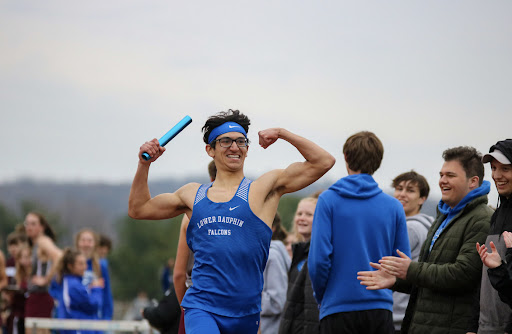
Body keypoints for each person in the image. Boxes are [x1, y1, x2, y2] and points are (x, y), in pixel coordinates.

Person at [128, 109, 335, 334]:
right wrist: (144, 165)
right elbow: (139, 209)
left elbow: (323, 162)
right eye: (225, 141)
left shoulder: (264, 188)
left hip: (246, 313)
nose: (234, 147)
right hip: (201, 307)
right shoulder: (191, 195)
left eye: (240, 141)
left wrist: (282, 133)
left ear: (247, 149)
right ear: (210, 150)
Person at [358, 146, 493, 334]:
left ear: (473, 181)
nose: (442, 181)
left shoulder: (482, 218)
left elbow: (462, 275)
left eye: (450, 175)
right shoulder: (445, 216)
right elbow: (428, 278)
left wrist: (410, 270)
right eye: (441, 175)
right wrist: (397, 280)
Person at [308, 131, 410, 334]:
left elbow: (319, 260)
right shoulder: (394, 207)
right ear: (378, 162)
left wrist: (323, 297)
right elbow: (402, 264)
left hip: (337, 309)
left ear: (345, 157)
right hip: (379, 310)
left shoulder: (328, 200)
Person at [471, 139, 512, 334]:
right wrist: (473, 325)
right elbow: (484, 279)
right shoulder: (497, 213)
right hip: (485, 327)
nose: (497, 175)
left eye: (505, 168)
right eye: (494, 168)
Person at [174, 160, 217, 334]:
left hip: (198, 301)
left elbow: (178, 274)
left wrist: (185, 309)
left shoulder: (192, 213)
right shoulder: (247, 205)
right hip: (237, 302)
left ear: (210, 176)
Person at [391, 171, 434, 333]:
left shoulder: (409, 229)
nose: (402, 194)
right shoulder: (429, 225)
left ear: (422, 198)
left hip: (397, 313)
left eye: (410, 190)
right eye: (399, 188)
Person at [279, 197, 320, 334]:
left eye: (309, 215)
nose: (302, 218)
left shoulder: (320, 254)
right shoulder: (300, 252)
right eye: (299, 213)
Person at [23, 212, 62, 334]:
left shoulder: (43, 241)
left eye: (33, 224)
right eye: (27, 223)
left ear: (42, 227)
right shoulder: (35, 244)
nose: (29, 227)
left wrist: (46, 279)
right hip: (35, 296)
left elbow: (59, 256)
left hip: (41, 295)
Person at [55, 248, 104, 334]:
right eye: (81, 264)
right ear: (70, 266)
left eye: (85, 263)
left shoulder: (74, 282)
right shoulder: (73, 285)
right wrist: (96, 288)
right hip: (78, 330)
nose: (85, 267)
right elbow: (92, 305)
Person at [261, 213, 290, 334]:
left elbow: (277, 301)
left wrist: (244, 296)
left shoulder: (272, 256)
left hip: (269, 329)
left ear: (271, 228)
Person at [75, 229, 113, 320]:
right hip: (74, 317)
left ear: (95, 245)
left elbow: (106, 293)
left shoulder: (101, 266)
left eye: (89, 241)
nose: (86, 244)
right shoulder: (69, 265)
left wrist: (107, 317)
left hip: (95, 317)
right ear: (77, 243)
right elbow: (57, 290)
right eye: (83, 240)